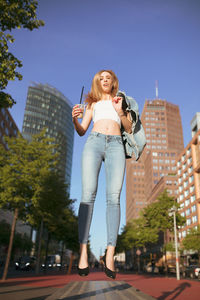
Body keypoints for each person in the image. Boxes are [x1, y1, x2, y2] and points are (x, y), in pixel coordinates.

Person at [72, 70, 133, 279]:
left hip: (116, 145)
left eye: (108, 77)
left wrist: (121, 111)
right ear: (97, 83)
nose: (105, 80)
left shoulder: (120, 101)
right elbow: (82, 130)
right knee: (88, 196)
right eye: (101, 78)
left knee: (114, 198)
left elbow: (129, 128)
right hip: (94, 142)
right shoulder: (92, 103)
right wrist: (75, 120)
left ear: (113, 81)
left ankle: (110, 253)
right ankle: (82, 253)